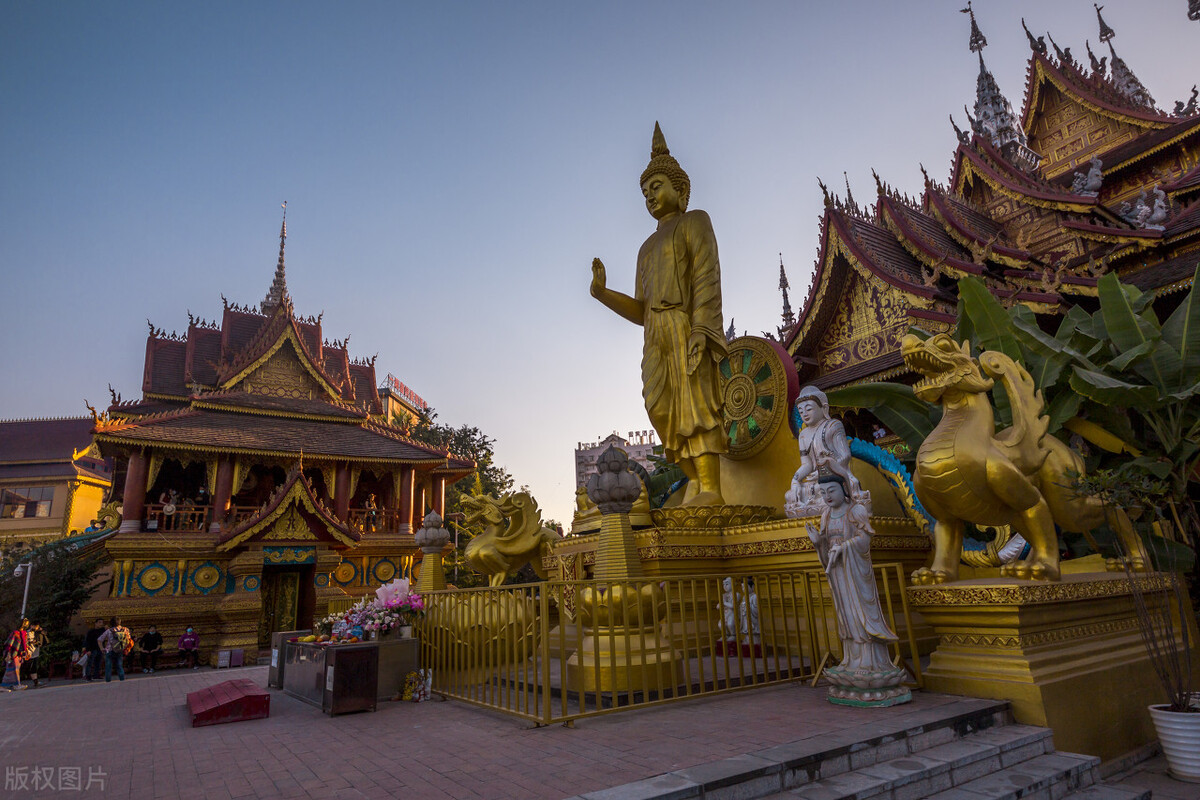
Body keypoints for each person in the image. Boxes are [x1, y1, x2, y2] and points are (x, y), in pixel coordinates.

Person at [591, 123, 727, 506]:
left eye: (658, 187)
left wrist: (702, 327)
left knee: (695, 400)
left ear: (681, 191)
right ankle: (695, 484)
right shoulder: (645, 248)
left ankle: (711, 486)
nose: (650, 196)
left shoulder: (695, 221)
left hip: (686, 324)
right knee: (661, 406)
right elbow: (640, 309)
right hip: (655, 333)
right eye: (645, 192)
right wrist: (602, 293)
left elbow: (706, 276)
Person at [805, 475, 897, 674]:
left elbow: (864, 540)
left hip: (855, 571)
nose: (827, 496)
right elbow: (826, 543)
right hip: (838, 572)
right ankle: (851, 659)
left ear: (844, 488)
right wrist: (818, 542)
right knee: (845, 614)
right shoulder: (826, 515)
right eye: (823, 492)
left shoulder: (856, 510)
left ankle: (869, 662)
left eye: (832, 490)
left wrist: (844, 547)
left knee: (859, 612)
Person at [785, 386, 865, 519]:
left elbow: (844, 456)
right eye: (801, 411)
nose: (804, 413)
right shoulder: (803, 435)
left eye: (809, 409)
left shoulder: (833, 426)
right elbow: (807, 464)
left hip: (837, 476)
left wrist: (826, 468)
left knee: (833, 489)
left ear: (824, 408)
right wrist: (795, 481)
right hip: (815, 481)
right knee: (790, 495)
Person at [98, 616, 132, 682]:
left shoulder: (109, 631)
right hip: (120, 649)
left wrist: (102, 648)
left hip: (110, 650)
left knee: (108, 666)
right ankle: (122, 679)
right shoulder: (125, 629)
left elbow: (99, 640)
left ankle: (108, 680)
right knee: (119, 665)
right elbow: (128, 639)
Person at [2, 619, 33, 691]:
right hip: (13, 654)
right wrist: (8, 654)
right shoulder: (15, 633)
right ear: (22, 624)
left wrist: (27, 652)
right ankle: (17, 685)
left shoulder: (24, 633)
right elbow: (9, 644)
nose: (26, 625)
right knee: (14, 669)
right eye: (25, 623)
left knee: (14, 670)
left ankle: (7, 685)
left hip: (19, 654)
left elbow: (26, 644)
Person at [23, 623, 47, 688]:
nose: (37, 628)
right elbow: (25, 642)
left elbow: (45, 634)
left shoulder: (37, 632)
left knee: (34, 667)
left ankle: (36, 682)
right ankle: (34, 682)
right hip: (29, 653)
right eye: (35, 626)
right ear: (31, 626)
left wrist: (41, 631)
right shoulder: (27, 633)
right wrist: (33, 642)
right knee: (30, 667)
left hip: (36, 652)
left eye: (38, 626)